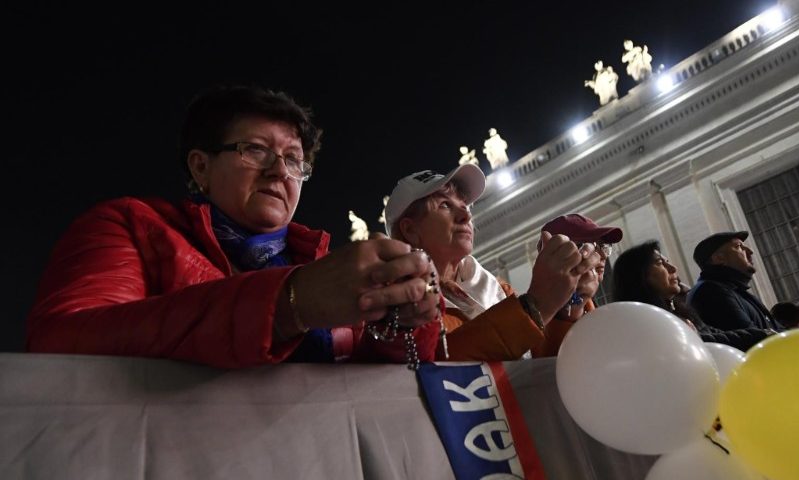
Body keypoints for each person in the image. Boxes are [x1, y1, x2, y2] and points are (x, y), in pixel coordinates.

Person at [27, 85, 441, 369]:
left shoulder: (324, 267)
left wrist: (399, 326)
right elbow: (62, 343)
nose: (280, 171)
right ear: (200, 166)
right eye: (255, 150)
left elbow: (365, 380)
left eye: (294, 159)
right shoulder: (129, 227)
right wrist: (286, 305)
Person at [386, 166, 601, 361]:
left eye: (465, 205)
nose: (465, 215)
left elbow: (543, 368)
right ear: (410, 230)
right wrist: (535, 305)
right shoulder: (395, 308)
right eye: (444, 205)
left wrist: (569, 306)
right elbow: (439, 363)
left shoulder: (498, 289)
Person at [613, 241, 771, 351]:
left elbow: (712, 333)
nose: (673, 268)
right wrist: (765, 335)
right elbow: (701, 342)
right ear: (638, 276)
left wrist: (766, 334)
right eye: (660, 263)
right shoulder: (646, 322)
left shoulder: (678, 309)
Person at [530, 213, 622, 356]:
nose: (602, 256)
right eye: (590, 246)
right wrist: (570, 310)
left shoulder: (597, 311)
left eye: (604, 246)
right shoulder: (533, 319)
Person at [686, 231, 781, 332]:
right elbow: (753, 337)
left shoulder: (733, 289)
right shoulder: (711, 292)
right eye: (739, 246)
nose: (750, 251)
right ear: (719, 258)